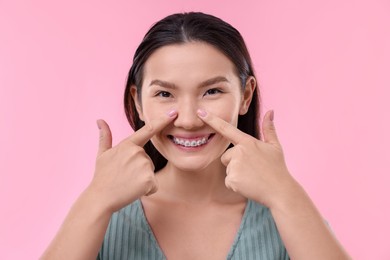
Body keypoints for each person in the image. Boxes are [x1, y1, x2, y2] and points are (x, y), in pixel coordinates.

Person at [41, 12, 350, 259]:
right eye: (164, 93)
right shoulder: (103, 216)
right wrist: (95, 200)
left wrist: (285, 193)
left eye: (212, 91)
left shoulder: (285, 215)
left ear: (245, 95)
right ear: (138, 101)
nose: (188, 120)